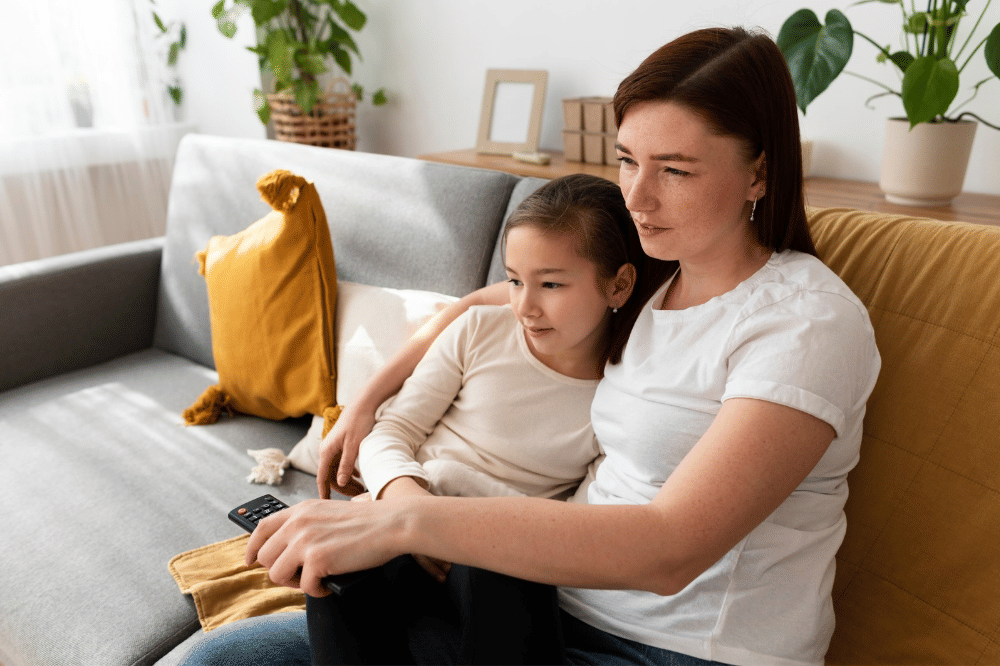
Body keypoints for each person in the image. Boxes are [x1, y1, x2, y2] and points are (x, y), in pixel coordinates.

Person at [197, 25, 882, 666]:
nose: (638, 197)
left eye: (675, 171)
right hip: (537, 605)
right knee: (216, 658)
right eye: (627, 160)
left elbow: (671, 549)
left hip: (677, 648)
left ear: (758, 174)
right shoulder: (643, 281)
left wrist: (409, 521)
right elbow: (487, 301)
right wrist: (367, 404)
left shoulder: (806, 325)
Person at [180, 173, 669, 666]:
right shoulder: (480, 330)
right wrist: (411, 503)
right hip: (403, 512)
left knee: (500, 573)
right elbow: (390, 431)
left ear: (619, 284)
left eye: (551, 284)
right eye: (515, 280)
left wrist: (448, 513)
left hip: (489, 557)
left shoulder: (621, 401)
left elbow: (573, 529)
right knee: (340, 574)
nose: (525, 306)